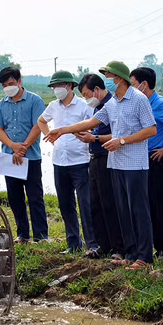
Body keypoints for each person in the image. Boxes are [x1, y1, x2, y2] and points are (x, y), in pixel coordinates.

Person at [46, 61, 156, 270]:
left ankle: (145, 256)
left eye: (109, 76)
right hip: (116, 164)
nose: (107, 80)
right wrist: (61, 130)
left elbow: (150, 130)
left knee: (138, 210)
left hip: (135, 165)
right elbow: (90, 123)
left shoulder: (139, 100)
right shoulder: (113, 103)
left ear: (119, 78)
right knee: (123, 210)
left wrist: (122, 140)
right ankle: (131, 253)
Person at [37, 70, 97, 255]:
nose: (57, 89)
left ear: (70, 86)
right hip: (59, 162)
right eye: (54, 86)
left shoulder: (83, 105)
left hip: (80, 161)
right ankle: (73, 243)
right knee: (65, 204)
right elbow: (41, 120)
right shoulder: (53, 106)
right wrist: (49, 135)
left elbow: (94, 123)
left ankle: (92, 244)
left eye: (60, 85)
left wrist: (86, 136)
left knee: (86, 204)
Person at [0, 66, 48, 244]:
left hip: (30, 156)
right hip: (9, 157)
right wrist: (12, 146)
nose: (7, 87)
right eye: (4, 85)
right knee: (15, 198)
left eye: (10, 83)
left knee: (35, 197)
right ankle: (22, 234)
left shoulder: (35, 100)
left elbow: (37, 126)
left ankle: (40, 236)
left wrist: (22, 148)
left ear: (19, 81)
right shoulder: (1, 104)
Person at [130, 66, 163, 258]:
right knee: (148, 204)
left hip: (159, 159)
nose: (131, 88)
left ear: (143, 85)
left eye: (133, 84)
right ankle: (156, 247)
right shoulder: (138, 104)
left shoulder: (162, 105)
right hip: (141, 159)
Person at [76, 73, 124, 258]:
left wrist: (94, 137)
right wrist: (90, 134)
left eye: (87, 94)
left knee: (110, 203)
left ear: (96, 89)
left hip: (108, 158)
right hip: (94, 158)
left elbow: (118, 134)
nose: (86, 99)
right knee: (95, 203)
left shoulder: (112, 105)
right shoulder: (98, 108)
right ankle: (102, 245)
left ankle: (119, 247)